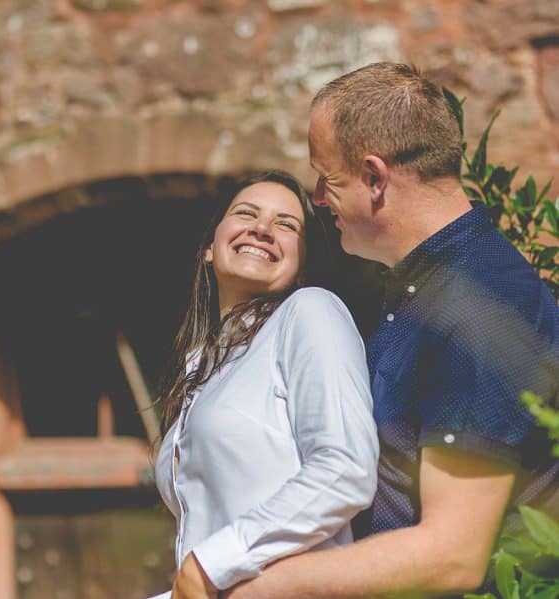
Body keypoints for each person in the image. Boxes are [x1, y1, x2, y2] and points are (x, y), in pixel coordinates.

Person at [223, 62, 559, 599]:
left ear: (376, 178)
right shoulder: (424, 283)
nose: (316, 198)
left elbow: (452, 556)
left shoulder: (480, 309)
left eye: (326, 177)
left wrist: (261, 586)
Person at [148, 170, 379, 599]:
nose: (262, 229)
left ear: (301, 263)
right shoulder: (202, 365)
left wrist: (210, 563)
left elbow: (346, 468)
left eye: (286, 225)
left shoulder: (310, 313)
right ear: (208, 249)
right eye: (246, 213)